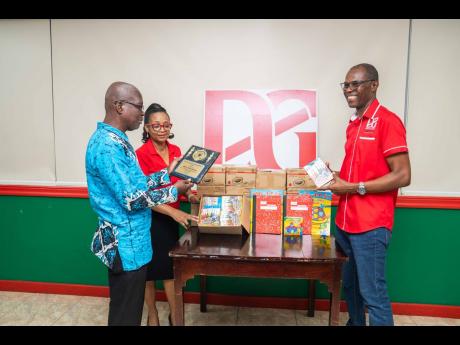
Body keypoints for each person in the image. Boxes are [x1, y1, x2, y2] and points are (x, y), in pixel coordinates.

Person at [85, 82, 193, 326]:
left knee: (129, 312)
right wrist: (173, 190)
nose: (142, 113)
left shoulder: (118, 140)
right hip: (125, 244)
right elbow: (133, 199)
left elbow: (137, 184)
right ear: (119, 106)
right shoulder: (107, 146)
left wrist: (166, 174)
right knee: (125, 315)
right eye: (139, 107)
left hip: (135, 243)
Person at [319, 63, 411, 326]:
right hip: (345, 224)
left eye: (355, 84)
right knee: (350, 288)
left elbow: (402, 175)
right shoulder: (354, 124)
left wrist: (351, 187)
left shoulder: (388, 122)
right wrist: (333, 175)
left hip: (370, 226)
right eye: (346, 85)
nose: (349, 90)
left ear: (374, 85)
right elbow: (359, 172)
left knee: (373, 293)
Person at [136, 103, 200, 326]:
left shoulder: (177, 151)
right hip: (149, 219)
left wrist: (190, 196)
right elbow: (141, 195)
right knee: (149, 274)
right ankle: (152, 315)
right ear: (146, 128)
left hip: (174, 218)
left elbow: (179, 185)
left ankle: (176, 316)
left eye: (166, 124)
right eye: (156, 125)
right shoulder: (140, 155)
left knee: (171, 272)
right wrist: (173, 211)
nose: (162, 129)